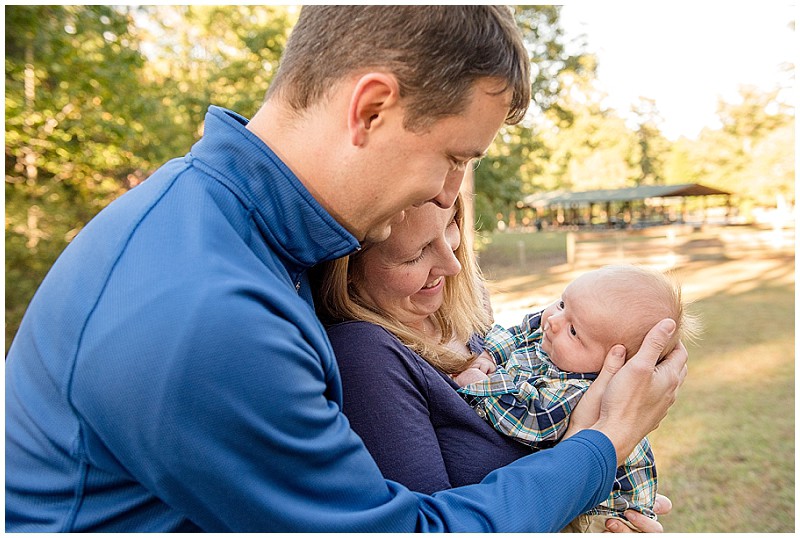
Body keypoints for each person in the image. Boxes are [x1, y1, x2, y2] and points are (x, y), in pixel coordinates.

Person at [5, 5, 687, 533]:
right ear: (370, 109)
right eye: (454, 156)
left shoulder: (255, 239)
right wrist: (604, 443)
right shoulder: (208, 309)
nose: (449, 196)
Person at [313, 200, 682, 532]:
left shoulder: (467, 316)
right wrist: (597, 444)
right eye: (415, 254)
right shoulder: (364, 355)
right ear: (351, 266)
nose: (452, 263)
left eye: (450, 227)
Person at [454, 264, 700, 532]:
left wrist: (483, 385)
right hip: (563, 489)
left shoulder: (580, 392)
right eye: (561, 303)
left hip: (598, 514)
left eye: (573, 331)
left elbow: (530, 417)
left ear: (614, 365)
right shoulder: (557, 332)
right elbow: (521, 331)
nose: (553, 321)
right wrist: (490, 355)